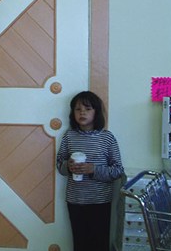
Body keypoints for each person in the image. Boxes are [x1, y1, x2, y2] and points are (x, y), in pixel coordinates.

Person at [56, 91, 124, 251]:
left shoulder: (107, 138)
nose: (82, 113)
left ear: (97, 112)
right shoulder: (69, 136)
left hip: (100, 201)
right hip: (75, 200)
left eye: (87, 109)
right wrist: (69, 167)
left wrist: (93, 169)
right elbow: (59, 164)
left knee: (99, 243)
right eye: (78, 109)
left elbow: (118, 170)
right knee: (80, 243)